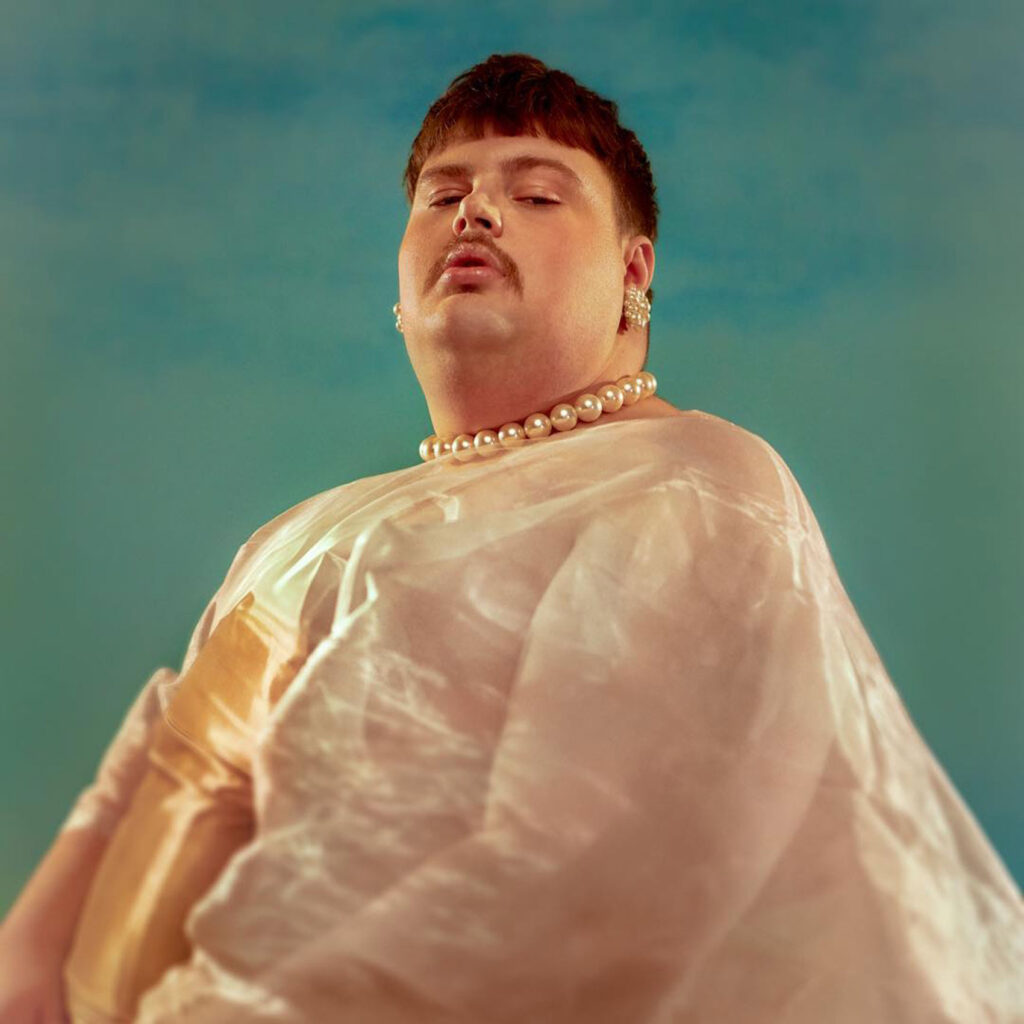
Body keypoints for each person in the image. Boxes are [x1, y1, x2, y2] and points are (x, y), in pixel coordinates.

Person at [2, 52, 1021, 1024]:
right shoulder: (302, 529)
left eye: (536, 194)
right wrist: (34, 950)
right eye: (442, 195)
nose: (476, 211)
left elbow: (578, 875)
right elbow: (156, 765)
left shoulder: (698, 484)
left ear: (634, 270)